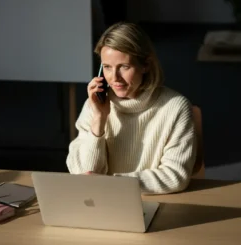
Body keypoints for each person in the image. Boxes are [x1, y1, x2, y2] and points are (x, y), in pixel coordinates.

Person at [66, 22, 197, 195]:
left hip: (151, 202)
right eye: (107, 67)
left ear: (146, 65)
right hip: (101, 202)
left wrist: (113, 183)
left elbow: (175, 176)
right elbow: (83, 173)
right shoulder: (95, 104)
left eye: (124, 67)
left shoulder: (176, 107)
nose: (115, 78)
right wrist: (98, 120)